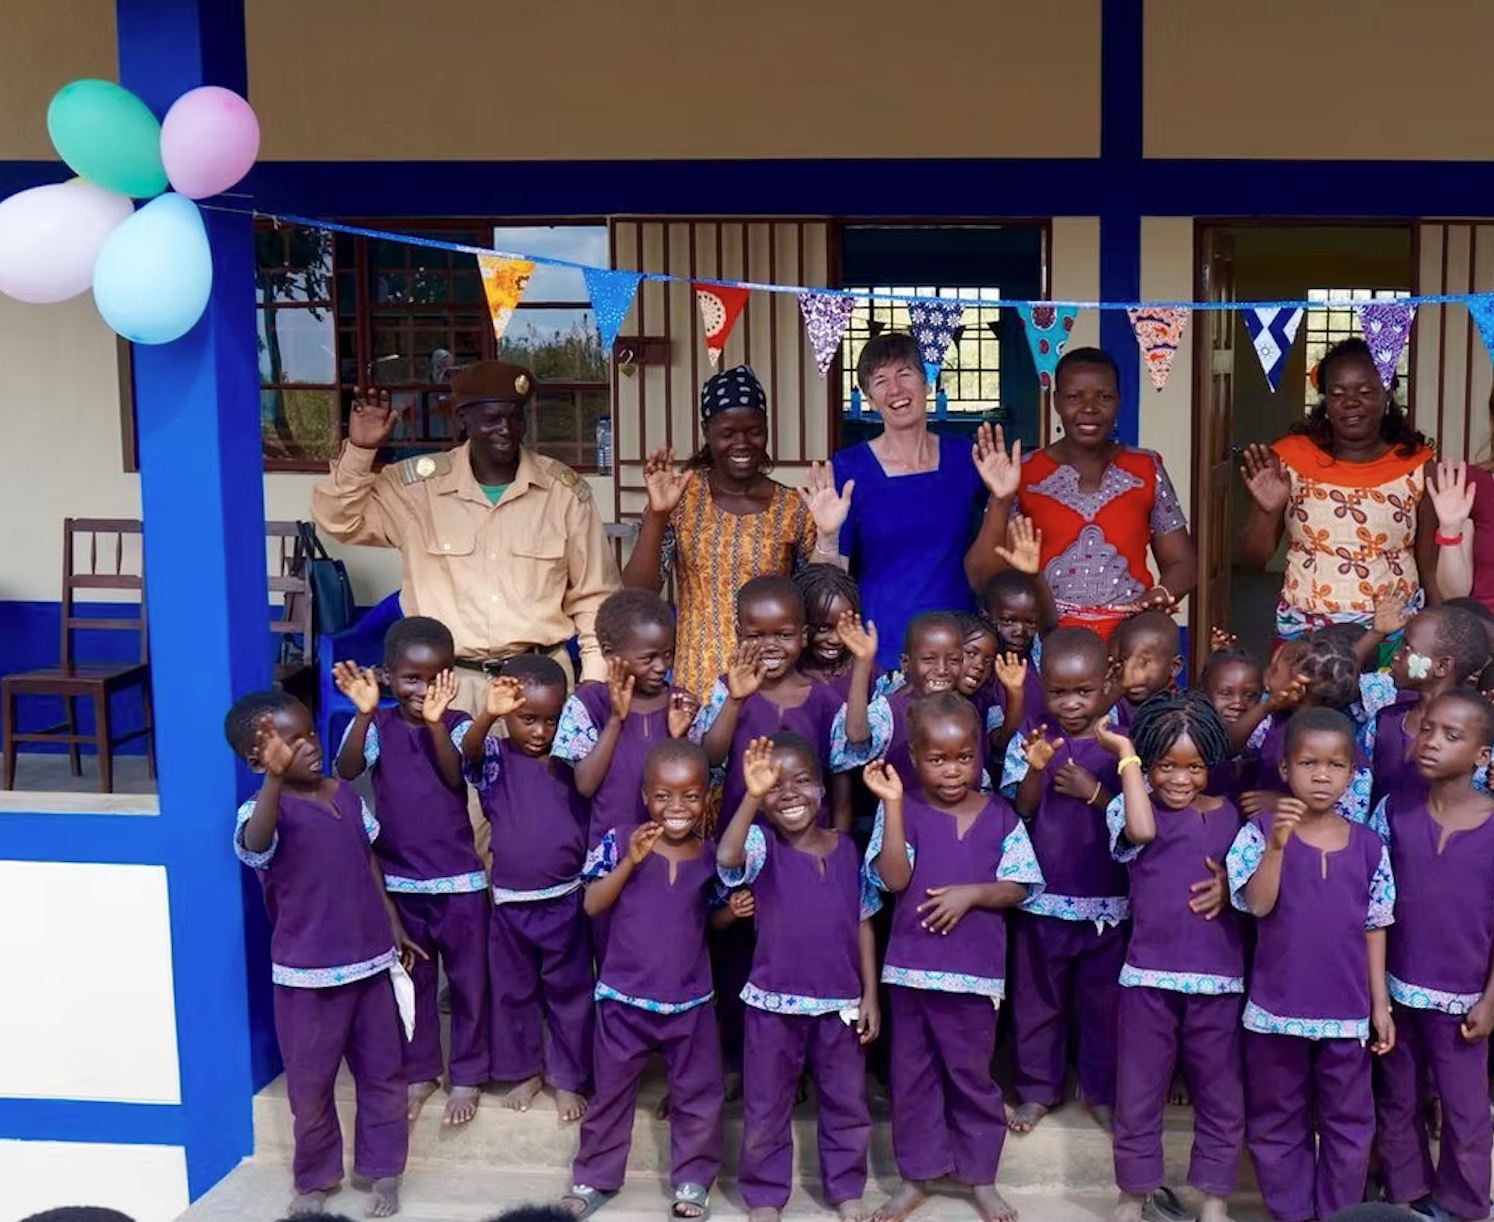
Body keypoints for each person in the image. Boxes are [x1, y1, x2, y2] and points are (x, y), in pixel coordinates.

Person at [311, 361, 620, 704]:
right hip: (445, 689)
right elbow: (340, 521)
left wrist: (594, 681)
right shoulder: (417, 490)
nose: (506, 429)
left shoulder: (563, 493)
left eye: (515, 417)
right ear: (462, 419)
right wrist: (360, 451)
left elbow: (594, 596)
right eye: (492, 419)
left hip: (538, 686)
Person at [226, 691, 418, 1219]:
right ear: (259, 760)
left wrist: (393, 924)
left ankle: (383, 1170)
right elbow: (256, 843)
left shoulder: (345, 795)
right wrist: (274, 781)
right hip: (308, 977)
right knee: (310, 1086)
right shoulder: (262, 811)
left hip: (371, 963)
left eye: (309, 733)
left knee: (383, 1075)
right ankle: (315, 1177)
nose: (309, 746)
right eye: (291, 743)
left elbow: (368, 861)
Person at [863, 694, 1044, 1222]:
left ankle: (980, 1176)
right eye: (937, 759)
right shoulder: (906, 811)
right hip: (911, 973)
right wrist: (892, 806)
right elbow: (893, 879)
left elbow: (1020, 885)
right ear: (914, 758)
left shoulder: (1001, 815)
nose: (951, 770)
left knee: (972, 1077)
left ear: (979, 754)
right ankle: (916, 1176)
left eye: (963, 757)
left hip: (974, 977)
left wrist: (973, 894)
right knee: (912, 1077)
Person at [563, 740, 749, 1222]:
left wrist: (732, 912)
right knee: (611, 1091)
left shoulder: (709, 856)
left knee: (698, 1094)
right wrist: (630, 860)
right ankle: (595, 1176)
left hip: (690, 1001)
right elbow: (592, 904)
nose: (677, 807)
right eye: (663, 796)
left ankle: (693, 1180)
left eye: (690, 796)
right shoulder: (620, 840)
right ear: (646, 796)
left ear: (706, 797)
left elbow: (709, 922)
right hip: (623, 998)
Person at [1226, 707, 1396, 1222]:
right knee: (1278, 1118)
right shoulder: (1258, 832)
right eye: (1308, 763)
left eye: (1335, 765)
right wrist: (1278, 847)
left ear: (1352, 774)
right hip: (1277, 1009)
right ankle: (1291, 1212)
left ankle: (1338, 1213)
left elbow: (1375, 927)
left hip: (1346, 1012)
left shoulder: (1370, 846)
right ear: (1285, 768)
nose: (1322, 776)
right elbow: (1258, 905)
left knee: (1349, 1122)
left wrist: (1380, 1005)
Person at [331, 617, 487, 1127]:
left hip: (460, 881)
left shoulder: (458, 723)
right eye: (410, 679)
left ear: (451, 677)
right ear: (387, 676)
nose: (422, 690)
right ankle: (421, 1072)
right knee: (414, 980)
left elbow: (455, 776)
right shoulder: (378, 725)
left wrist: (438, 725)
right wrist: (362, 715)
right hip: (400, 881)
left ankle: (468, 1073)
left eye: (434, 677)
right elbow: (347, 771)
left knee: (469, 983)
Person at [718, 734, 879, 1222]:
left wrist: (870, 995)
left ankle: (847, 1188)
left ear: (823, 788)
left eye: (802, 780)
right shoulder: (762, 845)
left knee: (846, 1102)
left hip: (841, 1006)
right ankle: (765, 1196)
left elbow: (863, 921)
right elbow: (727, 856)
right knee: (767, 1105)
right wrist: (751, 795)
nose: (789, 793)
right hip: (773, 1005)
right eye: (775, 785)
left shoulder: (848, 850)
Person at [621, 365, 850, 703]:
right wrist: (657, 513)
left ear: (766, 429)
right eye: (728, 432)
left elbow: (818, 604)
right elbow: (637, 593)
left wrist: (828, 535)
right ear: (707, 431)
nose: (742, 443)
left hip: (772, 688)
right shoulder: (681, 499)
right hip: (697, 688)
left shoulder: (793, 507)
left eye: (754, 431)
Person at [1100, 692, 1243, 1222]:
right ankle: (1133, 1195)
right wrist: (1127, 757)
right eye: (1166, 765)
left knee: (1220, 1093)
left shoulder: (1227, 815)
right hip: (1148, 978)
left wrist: (1229, 886)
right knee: (1139, 1092)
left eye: (1194, 767)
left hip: (1218, 978)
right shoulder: (1129, 805)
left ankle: (1215, 1200)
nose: (1180, 779)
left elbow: (1251, 886)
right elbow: (1143, 831)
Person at [968, 347, 1197, 641]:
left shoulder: (1146, 467)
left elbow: (1183, 562)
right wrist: (1001, 498)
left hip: (1129, 641)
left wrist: (1160, 594)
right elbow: (980, 579)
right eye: (1074, 397)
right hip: (1047, 642)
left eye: (1104, 397)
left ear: (1119, 401)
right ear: (1056, 402)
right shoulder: (1022, 473)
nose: (1089, 408)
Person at [1000, 627, 1128, 1134]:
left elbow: (1138, 817)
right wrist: (1036, 768)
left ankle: (1100, 1091)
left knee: (1103, 1005)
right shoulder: (1035, 736)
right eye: (1058, 692)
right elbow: (1023, 807)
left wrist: (1094, 792)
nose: (1071, 703)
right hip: (1044, 898)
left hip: (1108, 898)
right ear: (1042, 684)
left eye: (1083, 691)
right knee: (1038, 1001)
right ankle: (1037, 1089)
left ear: (1105, 684)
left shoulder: (1121, 741)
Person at [1373, 689, 1494, 1222]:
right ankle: (1407, 1195)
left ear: (1482, 755)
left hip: (1464, 999)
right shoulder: (1393, 811)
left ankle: (1465, 1203)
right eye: (1427, 729)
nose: (1431, 742)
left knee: (1465, 1109)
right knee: (1398, 1098)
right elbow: (1373, 905)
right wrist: (1375, 995)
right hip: (1396, 990)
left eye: (1451, 736)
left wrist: (1491, 1000)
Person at [1237, 337, 1437, 643]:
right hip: (1306, 634)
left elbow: (1429, 568)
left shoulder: (1418, 466)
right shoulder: (1290, 460)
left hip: (1393, 633)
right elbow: (1252, 561)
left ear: (1387, 394)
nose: (1350, 402)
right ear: (1326, 402)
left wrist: (1438, 634)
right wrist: (1267, 512)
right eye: (1337, 393)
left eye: (1365, 391)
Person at [461, 658, 592, 1123]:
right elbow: (468, 754)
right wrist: (488, 715)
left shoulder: (572, 758)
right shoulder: (496, 756)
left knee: (570, 994)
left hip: (566, 900)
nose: (540, 731)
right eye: (528, 719)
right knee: (513, 993)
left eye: (551, 719)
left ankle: (567, 1077)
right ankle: (525, 1071)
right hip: (511, 906)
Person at [830, 333, 995, 670]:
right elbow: (835, 574)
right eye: (880, 381)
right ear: (870, 400)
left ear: (927, 383)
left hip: (956, 643)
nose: (895, 390)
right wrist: (825, 533)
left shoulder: (965, 458)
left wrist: (1002, 495)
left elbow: (994, 547)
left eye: (905, 374)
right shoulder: (849, 468)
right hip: (881, 643)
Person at [696, 576, 877, 833]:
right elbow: (711, 758)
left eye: (784, 635)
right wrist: (734, 700)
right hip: (743, 840)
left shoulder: (825, 700)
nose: (770, 646)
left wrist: (841, 844)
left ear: (803, 636)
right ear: (739, 635)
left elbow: (841, 780)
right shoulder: (728, 689)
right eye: (756, 635)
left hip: (808, 842)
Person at [551, 590, 700, 850]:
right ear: (610, 654)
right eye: (648, 658)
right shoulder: (588, 704)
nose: (661, 667)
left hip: (671, 852)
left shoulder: (680, 704)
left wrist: (679, 737)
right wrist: (615, 720)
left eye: (667, 654)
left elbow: (699, 781)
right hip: (611, 851)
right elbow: (585, 785)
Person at [1365, 606, 1489, 811]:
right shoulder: (1384, 722)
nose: (1395, 656)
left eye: (1406, 648)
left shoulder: (1477, 736)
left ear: (1441, 666)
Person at [1109, 611, 1184, 731]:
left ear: (1174, 667)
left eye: (1143, 664)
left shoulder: (1182, 710)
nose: (1131, 674)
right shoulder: (1113, 705)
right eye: (1123, 662)